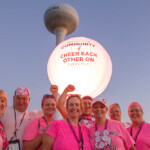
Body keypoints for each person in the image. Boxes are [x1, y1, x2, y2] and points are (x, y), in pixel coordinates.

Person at [0, 85, 58, 150]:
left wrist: (54, 93)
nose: (21, 102)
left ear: (29, 99)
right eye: (18, 98)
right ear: (14, 98)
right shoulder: (4, 112)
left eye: (24, 99)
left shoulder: (32, 115)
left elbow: (49, 108)